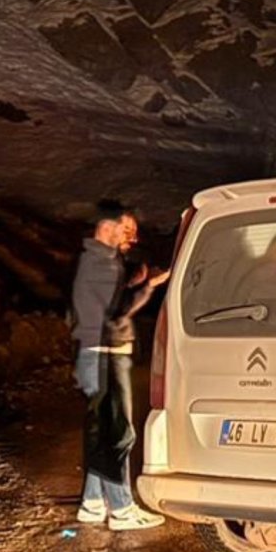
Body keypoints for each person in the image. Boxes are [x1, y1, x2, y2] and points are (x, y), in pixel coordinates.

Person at [71, 204, 170, 531]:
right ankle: (122, 509)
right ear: (106, 227)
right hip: (105, 355)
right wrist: (149, 287)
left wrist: (131, 284)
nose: (133, 236)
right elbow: (117, 313)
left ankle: (93, 502)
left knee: (103, 432)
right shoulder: (101, 263)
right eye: (126, 229)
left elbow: (105, 304)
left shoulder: (100, 261)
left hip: (97, 353)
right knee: (118, 433)